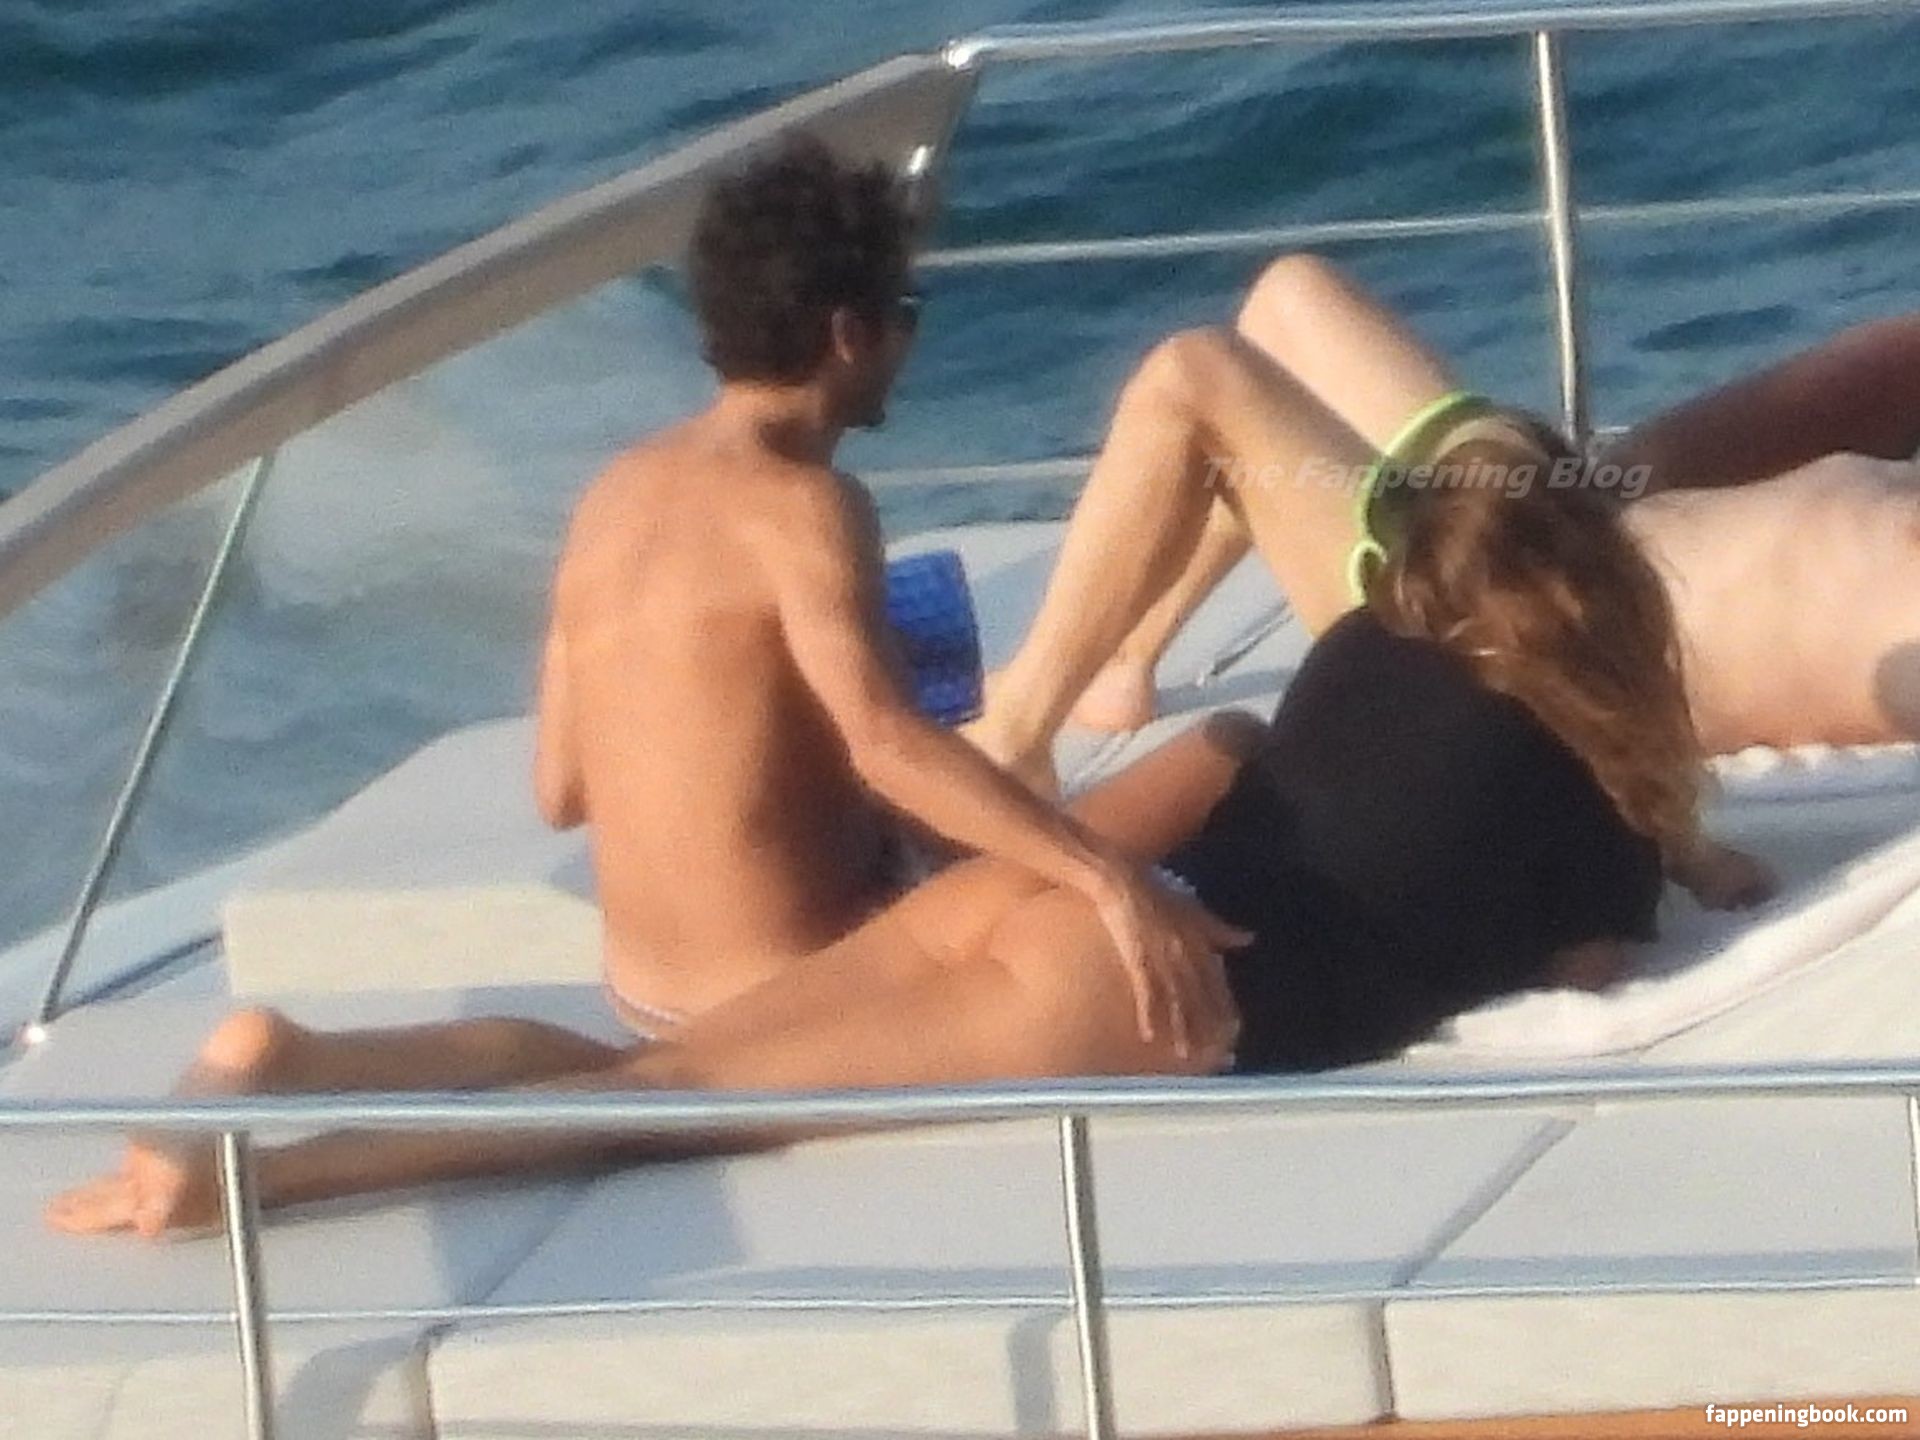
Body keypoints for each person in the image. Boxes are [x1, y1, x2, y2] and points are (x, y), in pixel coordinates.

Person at [46, 229, 1752, 1237]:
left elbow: (1236, 753)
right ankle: (265, 1166)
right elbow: (1587, 967)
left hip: (1064, 899)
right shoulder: (1587, 790)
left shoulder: (1366, 650)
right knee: (661, 1108)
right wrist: (1676, 860)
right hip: (1142, 994)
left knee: (660, 1078)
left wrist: (1102, 865)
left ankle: (301, 1077)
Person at [970, 253, 1920, 766]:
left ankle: (1017, 729)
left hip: (1493, 630)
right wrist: (1584, 481)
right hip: (1569, 517)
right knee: (1290, 301)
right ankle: (1126, 660)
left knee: (1198, 377)